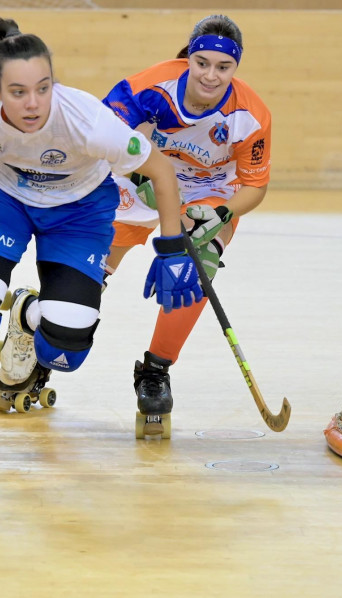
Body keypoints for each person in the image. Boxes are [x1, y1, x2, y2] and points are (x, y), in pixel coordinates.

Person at [0, 17, 203, 463]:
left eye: (43, 88)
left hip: (78, 212)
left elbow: (160, 171)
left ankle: (27, 314)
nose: (33, 104)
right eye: (19, 92)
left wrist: (170, 247)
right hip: (0, 201)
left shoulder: (87, 119)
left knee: (66, 350)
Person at [101, 14, 272, 438]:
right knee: (93, 272)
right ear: (189, 58)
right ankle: (39, 328)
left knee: (197, 273)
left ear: (236, 68)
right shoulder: (147, 88)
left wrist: (224, 214)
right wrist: (136, 177)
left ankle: (155, 371)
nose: (211, 75)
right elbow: (100, 137)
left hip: (208, 193)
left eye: (223, 67)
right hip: (143, 178)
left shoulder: (250, 115)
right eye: (202, 63)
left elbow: (254, 186)